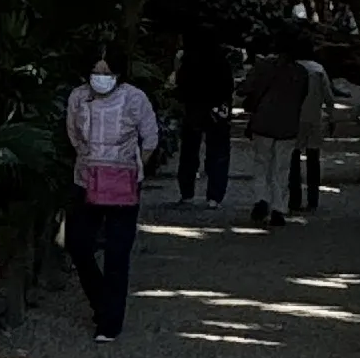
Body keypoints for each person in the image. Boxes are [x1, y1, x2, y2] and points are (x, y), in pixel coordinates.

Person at [63, 43, 159, 339]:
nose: (101, 77)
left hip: (123, 183)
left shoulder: (135, 98)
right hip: (85, 180)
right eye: (96, 71)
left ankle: (110, 322)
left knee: (118, 252)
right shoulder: (78, 97)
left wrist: (133, 168)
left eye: (107, 72)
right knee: (78, 245)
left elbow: (150, 137)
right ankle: (101, 301)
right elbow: (73, 134)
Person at [236, 31, 307, 227]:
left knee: (262, 163)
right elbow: (302, 98)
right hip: (288, 125)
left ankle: (261, 198)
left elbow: (245, 89)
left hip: (264, 122)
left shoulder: (263, 66)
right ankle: (278, 208)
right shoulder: (301, 73)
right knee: (281, 168)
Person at [172, 20, 236, 210]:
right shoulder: (221, 59)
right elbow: (228, 86)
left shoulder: (188, 59)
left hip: (194, 108)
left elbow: (181, 85)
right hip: (216, 110)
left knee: (189, 151)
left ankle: (187, 193)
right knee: (218, 152)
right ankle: (215, 196)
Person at [291, 35, 331, 215]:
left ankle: (294, 198)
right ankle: (313, 199)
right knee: (313, 158)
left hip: (294, 118)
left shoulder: (292, 68)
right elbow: (328, 96)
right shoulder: (318, 69)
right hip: (314, 117)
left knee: (293, 157)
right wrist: (331, 116)